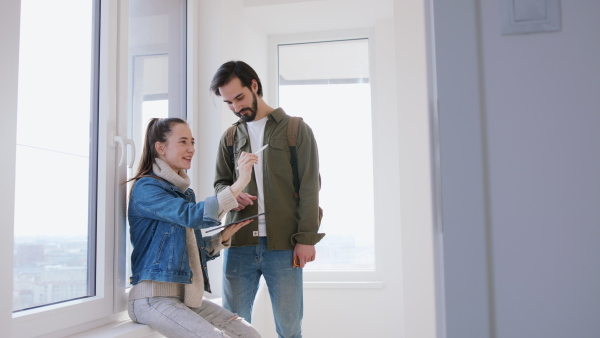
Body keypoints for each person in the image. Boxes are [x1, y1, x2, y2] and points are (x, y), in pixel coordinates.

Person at [211, 60, 325, 338]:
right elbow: (219, 184)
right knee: (232, 328)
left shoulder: (296, 130)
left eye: (239, 98)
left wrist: (306, 238)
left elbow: (310, 187)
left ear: (254, 86)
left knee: (289, 328)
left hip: (284, 247)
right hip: (239, 246)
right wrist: (231, 197)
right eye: (228, 103)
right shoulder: (229, 137)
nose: (236, 108)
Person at [127, 117, 262, 338]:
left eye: (193, 142)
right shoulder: (147, 188)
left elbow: (191, 252)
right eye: (183, 142)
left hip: (185, 296)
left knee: (248, 334)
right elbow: (190, 216)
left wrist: (222, 237)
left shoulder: (183, 192)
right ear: (160, 148)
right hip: (152, 298)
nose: (191, 149)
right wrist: (240, 182)